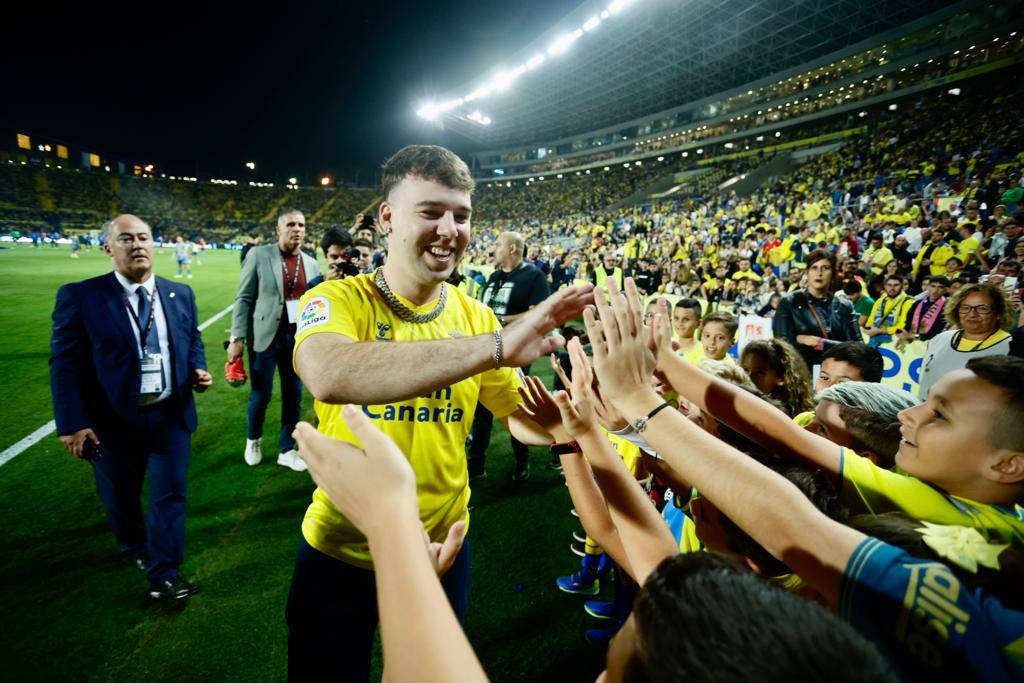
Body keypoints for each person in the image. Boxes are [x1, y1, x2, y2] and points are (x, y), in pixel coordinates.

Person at [285, 145, 593, 681]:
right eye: (430, 211)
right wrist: (495, 345)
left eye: (462, 215)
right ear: (387, 218)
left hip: (444, 545)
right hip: (341, 546)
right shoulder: (337, 298)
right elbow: (329, 373)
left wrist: (566, 422)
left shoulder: (474, 314)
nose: (450, 229)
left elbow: (514, 413)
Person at [49, 214, 211, 600]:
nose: (137, 244)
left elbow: (191, 339)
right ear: (108, 249)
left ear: (154, 245)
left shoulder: (179, 293)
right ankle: (134, 547)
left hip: (170, 415)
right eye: (126, 239)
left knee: (169, 495)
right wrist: (72, 423)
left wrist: (196, 368)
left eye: (143, 237)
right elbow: (65, 363)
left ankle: (165, 575)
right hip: (112, 421)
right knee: (121, 498)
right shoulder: (81, 296)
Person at [227, 209, 322, 471]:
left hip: (296, 339)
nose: (297, 229)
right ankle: (253, 440)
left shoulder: (312, 263)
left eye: (302, 224)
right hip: (265, 337)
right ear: (278, 230)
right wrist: (237, 337)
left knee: (294, 395)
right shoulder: (259, 255)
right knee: (261, 394)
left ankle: (286, 449)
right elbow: (244, 298)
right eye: (291, 224)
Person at [470, 230, 551, 481]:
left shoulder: (533, 277)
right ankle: (476, 466)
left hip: (515, 354)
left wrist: (501, 320)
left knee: (517, 406)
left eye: (497, 244)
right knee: (480, 409)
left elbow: (538, 313)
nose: (493, 248)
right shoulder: (493, 277)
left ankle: (522, 460)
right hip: (486, 350)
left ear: (513, 249)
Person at [918, 282, 1015, 398]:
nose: (972, 314)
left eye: (982, 308)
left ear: (999, 313)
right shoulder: (940, 339)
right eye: (965, 308)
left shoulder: (1011, 348)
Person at [772, 249, 861, 369]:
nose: (819, 273)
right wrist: (839, 347)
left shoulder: (845, 306)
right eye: (814, 268)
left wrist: (819, 343)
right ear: (807, 272)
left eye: (825, 268)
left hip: (835, 375)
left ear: (833, 273)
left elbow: (858, 348)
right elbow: (783, 347)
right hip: (801, 374)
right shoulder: (789, 302)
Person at [739, 338, 814, 418]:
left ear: (781, 377)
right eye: (745, 370)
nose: (749, 377)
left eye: (760, 372)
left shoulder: (785, 417)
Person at [863, 274, 912, 348]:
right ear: (885, 286)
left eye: (896, 285)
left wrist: (880, 331)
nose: (892, 288)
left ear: (902, 287)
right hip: (875, 339)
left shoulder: (908, 302)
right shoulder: (879, 301)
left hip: (894, 342)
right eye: (889, 285)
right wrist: (869, 329)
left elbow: (902, 328)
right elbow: (870, 322)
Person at [898, 275, 949, 344]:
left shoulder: (947, 308)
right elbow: (908, 323)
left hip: (931, 344)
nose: (935, 290)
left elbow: (937, 332)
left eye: (940, 287)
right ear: (928, 287)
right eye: (933, 286)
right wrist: (903, 335)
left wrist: (913, 336)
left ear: (945, 290)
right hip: (912, 343)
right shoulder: (917, 303)